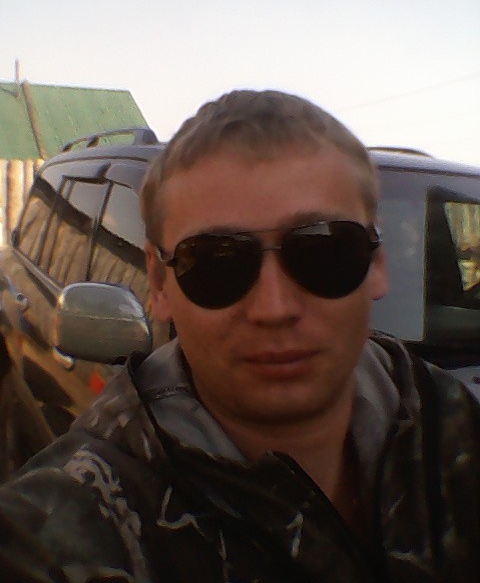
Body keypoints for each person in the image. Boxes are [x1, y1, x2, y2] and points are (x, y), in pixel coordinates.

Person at [0, 90, 479, 583]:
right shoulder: (60, 531)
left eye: (324, 251)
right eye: (217, 263)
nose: (274, 308)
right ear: (159, 284)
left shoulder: (455, 427)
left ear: (377, 262)